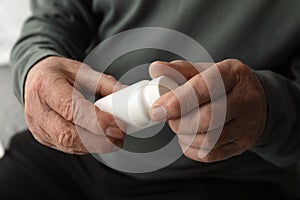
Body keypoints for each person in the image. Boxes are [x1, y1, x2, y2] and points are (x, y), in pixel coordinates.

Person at [0, 0, 300, 199]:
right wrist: (36, 65)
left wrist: (268, 108)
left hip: (221, 176)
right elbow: (55, 17)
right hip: (75, 157)